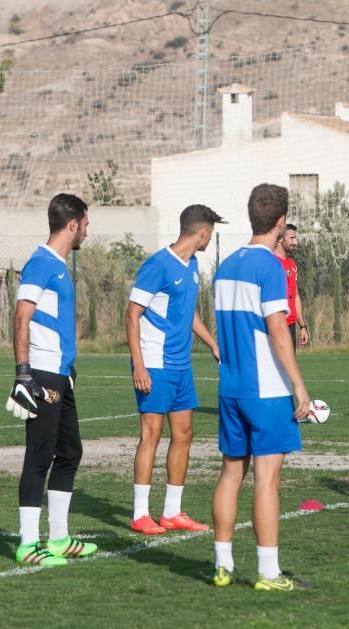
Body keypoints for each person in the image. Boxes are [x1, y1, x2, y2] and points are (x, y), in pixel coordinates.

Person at [210, 184, 311, 591]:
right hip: (266, 389)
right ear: (281, 221)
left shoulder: (225, 265)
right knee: (267, 481)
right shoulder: (269, 266)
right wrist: (299, 387)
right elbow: (276, 331)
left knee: (231, 474)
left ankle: (222, 566)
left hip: (230, 387)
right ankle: (269, 574)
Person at [5, 193, 97, 567]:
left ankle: (58, 538)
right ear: (72, 224)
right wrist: (23, 375)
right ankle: (28, 544)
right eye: (86, 224)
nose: (87, 231)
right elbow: (21, 317)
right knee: (39, 457)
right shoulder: (41, 264)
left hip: (61, 374)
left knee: (70, 452)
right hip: (41, 375)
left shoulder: (58, 264)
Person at [126, 204, 225, 535]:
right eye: (211, 231)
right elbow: (132, 314)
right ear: (202, 232)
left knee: (184, 434)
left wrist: (211, 343)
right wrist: (139, 364)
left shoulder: (193, 264)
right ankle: (140, 514)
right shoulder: (158, 265)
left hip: (181, 366)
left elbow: (187, 313)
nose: (211, 236)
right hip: (154, 363)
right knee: (151, 436)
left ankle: (171, 512)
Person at [273, 224, 309, 350]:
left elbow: (295, 296)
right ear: (280, 239)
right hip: (274, 326)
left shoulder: (292, 265)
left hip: (290, 325)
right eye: (292, 238)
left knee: (286, 369)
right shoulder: (269, 263)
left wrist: (302, 326)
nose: (295, 242)